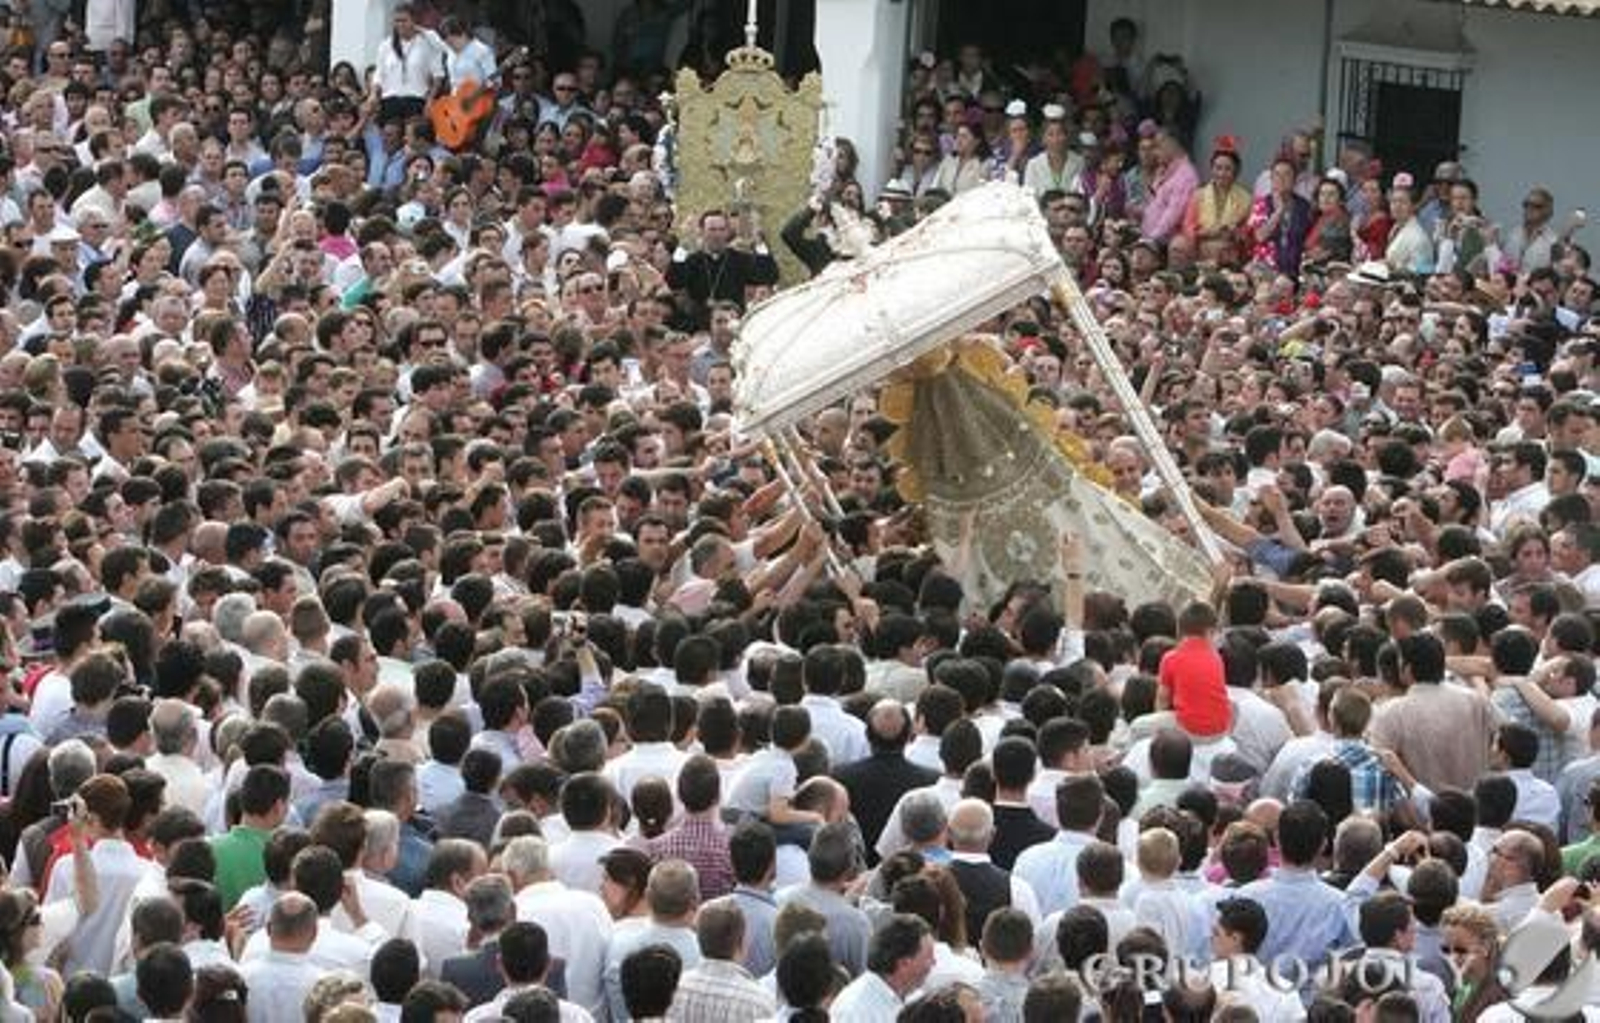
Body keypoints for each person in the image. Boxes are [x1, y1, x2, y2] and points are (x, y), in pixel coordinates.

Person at [829, 914, 935, 1023]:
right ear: (904, 964)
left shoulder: (916, 999)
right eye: (929, 956)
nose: (934, 962)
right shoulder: (855, 1009)